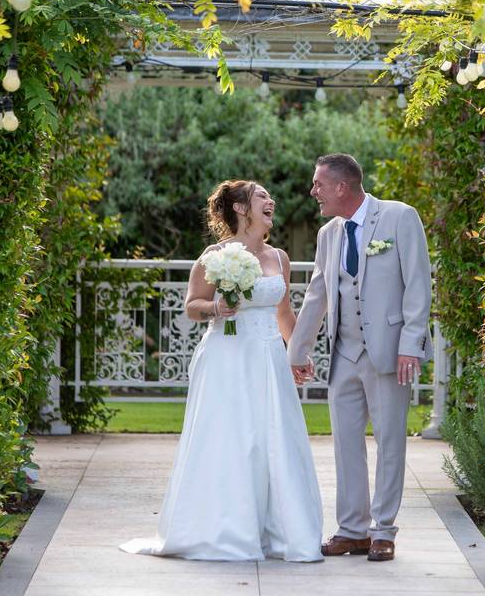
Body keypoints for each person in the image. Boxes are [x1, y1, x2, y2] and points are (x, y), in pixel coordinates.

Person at [120, 180, 323, 562]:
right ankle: (224, 529)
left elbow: (283, 313)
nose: (271, 201)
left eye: (268, 196)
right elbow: (192, 305)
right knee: (230, 438)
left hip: (267, 359)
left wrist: (297, 353)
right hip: (226, 357)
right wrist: (216, 309)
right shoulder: (215, 255)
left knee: (275, 439)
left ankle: (281, 533)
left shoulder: (280, 258)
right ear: (241, 209)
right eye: (261, 196)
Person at [287, 153, 432, 562]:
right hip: (344, 354)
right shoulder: (328, 234)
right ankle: (352, 530)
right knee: (345, 445)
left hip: (389, 352)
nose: (313, 192)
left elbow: (418, 284)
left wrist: (411, 343)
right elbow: (317, 293)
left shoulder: (400, 217)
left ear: (341, 187)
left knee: (390, 442)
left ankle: (383, 531)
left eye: (318, 185)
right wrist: (296, 351)